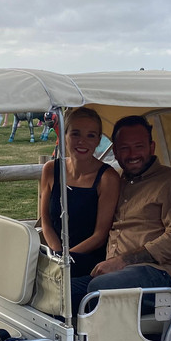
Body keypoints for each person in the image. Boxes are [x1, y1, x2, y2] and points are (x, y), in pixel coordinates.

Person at [72, 115, 171, 307]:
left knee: (101, 289)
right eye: (124, 148)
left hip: (156, 274)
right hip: (111, 272)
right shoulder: (115, 180)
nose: (132, 154)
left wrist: (123, 261)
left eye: (139, 146)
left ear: (151, 147)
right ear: (115, 151)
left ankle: (96, 337)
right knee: (59, 290)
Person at [39, 108, 121, 304]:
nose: (82, 142)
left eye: (90, 135)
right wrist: (57, 254)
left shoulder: (108, 178)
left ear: (98, 140)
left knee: (51, 294)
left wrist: (67, 257)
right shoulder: (51, 170)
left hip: (87, 259)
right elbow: (46, 221)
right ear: (64, 135)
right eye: (75, 134)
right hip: (55, 253)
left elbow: (100, 235)